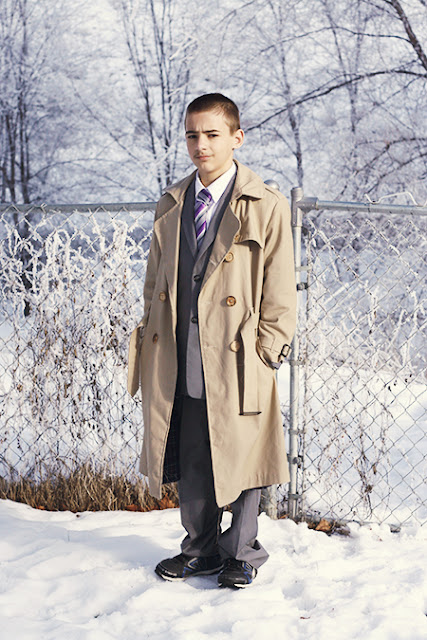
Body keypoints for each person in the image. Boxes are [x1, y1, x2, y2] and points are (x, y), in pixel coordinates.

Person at [128, 93, 296, 588]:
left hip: (239, 354)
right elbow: (155, 281)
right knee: (192, 450)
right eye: (192, 135)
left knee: (242, 451)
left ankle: (241, 552)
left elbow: (280, 288)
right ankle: (199, 550)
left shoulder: (266, 204)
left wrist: (267, 351)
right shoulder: (172, 202)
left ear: (236, 138)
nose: (200, 144)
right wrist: (151, 336)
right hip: (179, 350)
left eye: (212, 134)